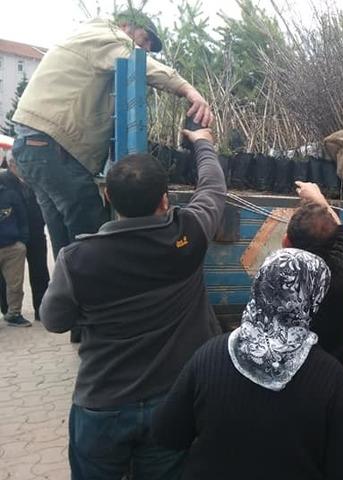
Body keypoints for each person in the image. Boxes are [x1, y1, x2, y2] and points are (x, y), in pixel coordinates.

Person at [40, 128, 225, 480]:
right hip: (169, 404)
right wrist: (202, 143)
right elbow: (213, 188)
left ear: (107, 195)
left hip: (102, 406)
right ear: (165, 200)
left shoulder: (77, 259)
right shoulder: (188, 234)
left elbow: (54, 320)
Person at [11, 8, 213, 261]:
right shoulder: (106, 35)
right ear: (127, 25)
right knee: (92, 229)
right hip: (51, 145)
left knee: (65, 236)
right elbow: (141, 64)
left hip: (35, 146)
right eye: (147, 37)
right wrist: (189, 91)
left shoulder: (87, 37)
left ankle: (67, 293)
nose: (147, 47)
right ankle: (101, 294)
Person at [152, 248, 343, 480]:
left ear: (260, 285)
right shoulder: (329, 377)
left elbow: (167, 433)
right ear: (314, 297)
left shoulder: (209, 356)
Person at [282, 181, 343, 366]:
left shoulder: (280, 278)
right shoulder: (342, 271)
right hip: (331, 367)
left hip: (292, 369)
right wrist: (320, 199)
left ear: (286, 243)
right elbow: (342, 235)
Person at [0, 155, 49, 322]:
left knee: (40, 271)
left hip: (36, 232)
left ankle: (41, 310)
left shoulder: (34, 176)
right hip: (12, 237)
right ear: (12, 164)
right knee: (8, 276)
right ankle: (9, 311)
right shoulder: (3, 180)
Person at [0, 165, 30, 327]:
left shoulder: (10, 195)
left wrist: (21, 241)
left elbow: (22, 217)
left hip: (12, 247)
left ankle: (14, 313)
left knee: (15, 284)